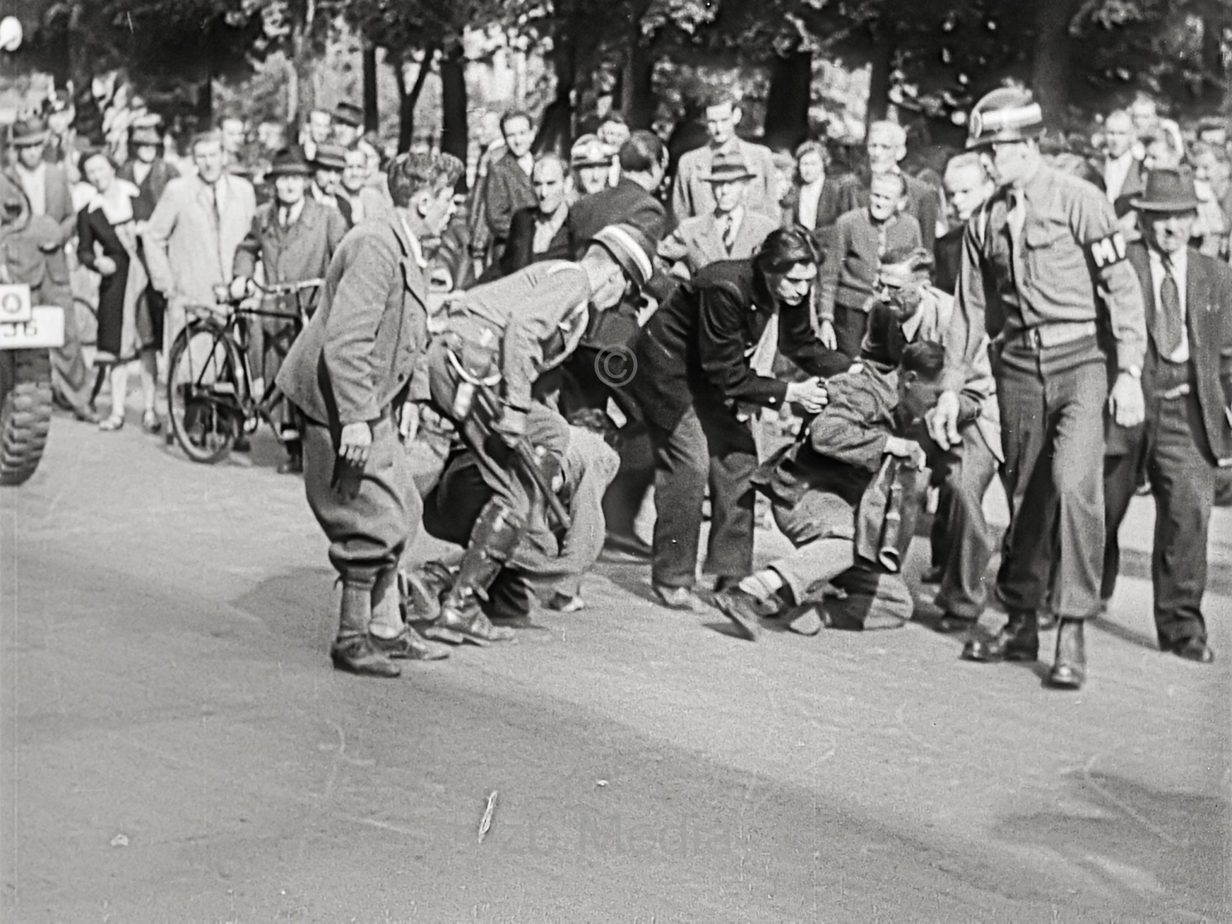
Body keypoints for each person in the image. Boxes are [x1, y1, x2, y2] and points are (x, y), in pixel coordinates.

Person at [928, 88, 1147, 690]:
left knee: (1076, 487)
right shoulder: (986, 221)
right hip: (1018, 370)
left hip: (1081, 364)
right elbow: (969, 311)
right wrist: (950, 387)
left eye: (995, 151)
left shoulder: (1082, 201)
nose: (988, 163)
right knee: (1025, 497)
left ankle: (1071, 623)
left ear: (1026, 146)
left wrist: (1129, 371)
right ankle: (1020, 616)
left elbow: (1121, 289)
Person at [409, 223, 658, 645]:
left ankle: (453, 584)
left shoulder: (559, 281)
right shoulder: (575, 281)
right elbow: (524, 329)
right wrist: (518, 407)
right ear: (615, 275)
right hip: (474, 364)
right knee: (515, 496)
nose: (619, 302)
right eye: (626, 291)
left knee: (551, 436)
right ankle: (458, 605)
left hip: (465, 360)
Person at [276, 151, 462, 678]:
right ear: (423, 201)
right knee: (370, 518)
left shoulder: (406, 243)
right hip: (337, 402)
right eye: (448, 200)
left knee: (403, 504)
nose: (452, 210)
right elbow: (347, 340)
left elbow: (410, 330)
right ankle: (351, 638)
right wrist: (356, 418)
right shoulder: (376, 247)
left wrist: (409, 400)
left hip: (368, 399)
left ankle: (386, 626)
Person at [630, 228, 850, 610]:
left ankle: (731, 576)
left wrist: (849, 371)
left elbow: (799, 343)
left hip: (713, 370)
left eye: (809, 281)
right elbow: (727, 374)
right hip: (668, 372)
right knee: (690, 465)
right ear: (769, 269)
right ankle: (672, 578)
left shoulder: (790, 283)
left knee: (740, 464)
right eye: (795, 281)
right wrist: (789, 393)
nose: (801, 290)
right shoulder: (725, 287)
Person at [714, 341, 947, 639]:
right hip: (804, 495)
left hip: (840, 510)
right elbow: (825, 434)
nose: (938, 404)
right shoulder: (865, 391)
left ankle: (801, 605)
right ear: (911, 380)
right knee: (853, 543)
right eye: (937, 394)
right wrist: (889, 444)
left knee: (895, 602)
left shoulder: (907, 406)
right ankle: (748, 592)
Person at [1102, 168, 1232, 664]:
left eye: (1178, 216)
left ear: (1194, 219)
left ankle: (1182, 628)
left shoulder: (1215, 275)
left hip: (1187, 407)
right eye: (1158, 217)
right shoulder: (1124, 265)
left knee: (1188, 517)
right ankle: (1084, 592)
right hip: (1129, 399)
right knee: (1101, 503)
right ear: (1142, 219)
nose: (1169, 228)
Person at [232, 147, 347, 473]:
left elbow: (343, 256)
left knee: (310, 378)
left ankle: (315, 450)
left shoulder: (326, 217)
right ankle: (292, 447)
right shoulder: (263, 216)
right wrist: (241, 276)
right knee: (278, 374)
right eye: (283, 179)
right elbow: (247, 247)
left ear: (306, 181)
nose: (289, 186)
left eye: (295, 179)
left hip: (309, 310)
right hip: (275, 311)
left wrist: (332, 287)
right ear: (274, 183)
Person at [143, 130, 257, 431]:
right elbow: (153, 237)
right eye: (201, 156)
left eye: (213, 155)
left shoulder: (243, 190)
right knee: (193, 363)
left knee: (232, 362)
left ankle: (230, 426)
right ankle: (189, 426)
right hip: (193, 289)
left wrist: (249, 279)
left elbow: (252, 238)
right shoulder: (178, 191)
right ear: (194, 159)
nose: (208, 163)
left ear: (224, 156)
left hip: (233, 293)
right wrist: (166, 282)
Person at [6, 115, 96, 421]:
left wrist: (61, 233)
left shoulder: (57, 175)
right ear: (15, 149)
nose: (32, 151)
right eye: (25, 147)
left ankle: (79, 398)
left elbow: (72, 216)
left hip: (54, 265)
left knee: (67, 333)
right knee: (18, 337)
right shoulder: (5, 179)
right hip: (19, 268)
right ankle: (21, 397)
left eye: (36, 145)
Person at [76, 151, 158, 432]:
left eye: (101, 169)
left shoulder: (138, 197)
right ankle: (118, 410)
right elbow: (83, 250)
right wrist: (97, 262)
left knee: (147, 346)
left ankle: (150, 409)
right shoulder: (88, 213)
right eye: (91, 172)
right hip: (115, 285)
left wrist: (146, 231)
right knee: (115, 350)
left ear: (112, 168)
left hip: (146, 280)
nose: (97, 176)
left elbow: (159, 230)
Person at [818, 172, 923, 359]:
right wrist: (826, 318)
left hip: (891, 310)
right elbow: (829, 274)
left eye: (886, 198)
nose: (879, 203)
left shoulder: (911, 226)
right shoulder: (848, 223)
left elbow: (918, 272)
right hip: (851, 312)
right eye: (876, 195)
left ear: (901, 201)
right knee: (852, 364)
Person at [658, 150, 778, 280]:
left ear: (745, 186)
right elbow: (659, 259)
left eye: (731, 184)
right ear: (710, 187)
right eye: (718, 184)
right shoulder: (690, 229)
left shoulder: (765, 228)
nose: (724, 191)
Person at [670, 89, 780, 223]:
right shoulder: (689, 163)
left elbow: (772, 211)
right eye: (712, 121)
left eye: (724, 120)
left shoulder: (760, 156)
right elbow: (680, 215)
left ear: (736, 116)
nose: (719, 128)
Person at [838, 121, 941, 250]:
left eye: (885, 147)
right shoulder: (850, 188)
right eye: (872, 145)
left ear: (900, 152)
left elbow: (926, 253)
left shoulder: (922, 194)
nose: (876, 153)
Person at [494, 153, 572, 277]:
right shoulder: (522, 220)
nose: (544, 193)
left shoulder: (576, 225)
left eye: (551, 183)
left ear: (567, 184)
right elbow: (501, 269)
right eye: (537, 184)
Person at [934, 153, 994, 296]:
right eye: (951, 194)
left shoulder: (1006, 236)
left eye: (965, 191)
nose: (957, 200)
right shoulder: (946, 246)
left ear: (988, 188)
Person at [482, 109, 537, 261]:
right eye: (511, 135)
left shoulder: (542, 164)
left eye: (522, 133)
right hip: (512, 248)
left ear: (532, 134)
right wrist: (531, 232)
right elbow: (496, 218)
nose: (518, 141)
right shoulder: (499, 170)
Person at [780, 140, 847, 234]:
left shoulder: (836, 189)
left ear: (823, 164)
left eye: (813, 164)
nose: (808, 169)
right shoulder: (795, 190)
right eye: (804, 164)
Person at [1096, 110, 1147, 210]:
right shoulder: (1096, 166)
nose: (1115, 139)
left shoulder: (1141, 166)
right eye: (1111, 133)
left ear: (1131, 136)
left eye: (1121, 133)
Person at [307, 144, 349, 223]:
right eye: (327, 170)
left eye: (338, 171)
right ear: (314, 169)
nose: (332, 179)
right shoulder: (301, 199)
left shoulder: (345, 207)